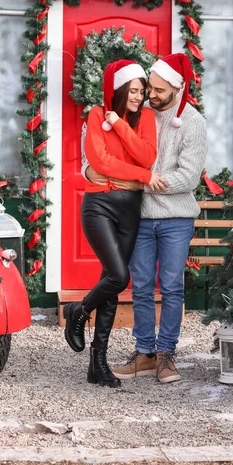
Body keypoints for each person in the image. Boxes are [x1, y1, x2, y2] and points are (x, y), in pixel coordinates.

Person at [85, 53, 207, 385]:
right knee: (139, 286)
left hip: (175, 218)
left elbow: (188, 178)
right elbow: (108, 150)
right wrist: (90, 169)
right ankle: (145, 352)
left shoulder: (193, 123)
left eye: (157, 90)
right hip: (138, 215)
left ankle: (166, 353)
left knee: (170, 286)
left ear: (176, 88)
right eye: (148, 88)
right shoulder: (144, 114)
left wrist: (139, 183)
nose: (149, 95)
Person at [63, 59, 162, 388]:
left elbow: (147, 155)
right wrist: (142, 176)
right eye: (133, 90)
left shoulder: (144, 117)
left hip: (130, 209)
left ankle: (98, 364)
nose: (139, 96)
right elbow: (99, 161)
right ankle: (78, 311)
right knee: (119, 276)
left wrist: (119, 124)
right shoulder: (94, 114)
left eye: (142, 91)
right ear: (120, 89)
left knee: (112, 281)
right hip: (99, 206)